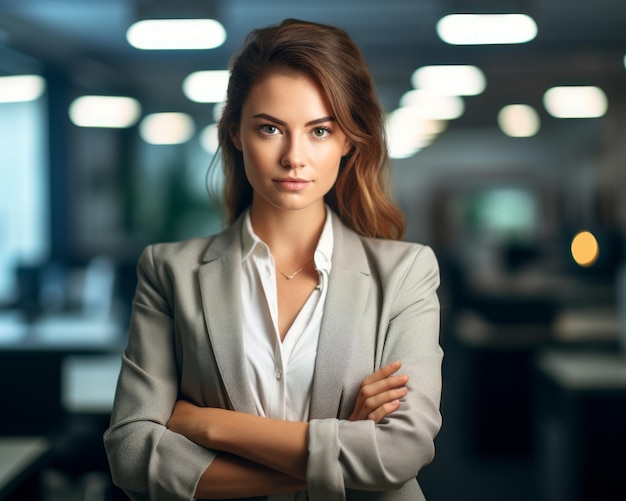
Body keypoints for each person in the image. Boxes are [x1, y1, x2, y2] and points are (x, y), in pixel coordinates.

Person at [104, 18, 442, 501]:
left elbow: (402, 452)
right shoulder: (168, 271)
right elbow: (132, 455)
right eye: (270, 128)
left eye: (320, 131)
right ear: (237, 133)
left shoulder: (405, 272)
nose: (294, 157)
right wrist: (342, 449)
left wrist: (209, 425)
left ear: (349, 139)